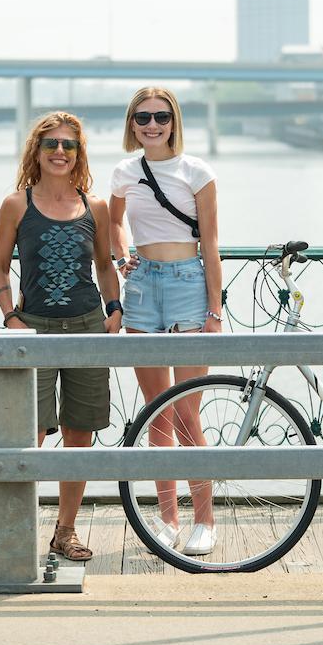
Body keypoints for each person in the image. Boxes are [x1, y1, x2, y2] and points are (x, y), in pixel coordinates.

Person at [0, 110, 123, 562]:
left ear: (79, 153)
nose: (61, 152)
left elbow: (105, 266)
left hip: (87, 326)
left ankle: (65, 531)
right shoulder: (16, 205)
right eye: (52, 145)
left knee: (79, 434)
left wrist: (114, 308)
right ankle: (16, 527)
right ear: (38, 151)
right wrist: (11, 315)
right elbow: (1, 268)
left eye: (69, 145)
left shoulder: (96, 207)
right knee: (31, 434)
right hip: (35, 330)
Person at [109, 86, 222, 557]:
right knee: (155, 409)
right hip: (141, 287)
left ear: (173, 121)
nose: (151, 125)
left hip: (186, 284)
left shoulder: (197, 171)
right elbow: (114, 224)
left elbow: (212, 242)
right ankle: (167, 518)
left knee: (187, 410)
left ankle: (205, 518)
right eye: (142, 117)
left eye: (160, 116)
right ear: (131, 123)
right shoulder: (124, 172)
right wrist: (121, 257)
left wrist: (215, 310)